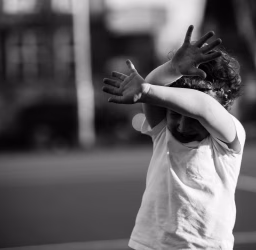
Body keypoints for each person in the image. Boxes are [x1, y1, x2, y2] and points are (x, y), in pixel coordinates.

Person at [102, 25, 245, 250]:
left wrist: (148, 91)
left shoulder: (226, 138)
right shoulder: (162, 132)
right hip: (149, 244)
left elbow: (203, 107)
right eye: (175, 115)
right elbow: (156, 87)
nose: (183, 124)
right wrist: (173, 68)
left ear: (224, 108)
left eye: (192, 118)